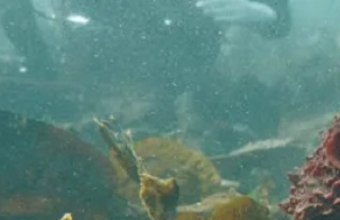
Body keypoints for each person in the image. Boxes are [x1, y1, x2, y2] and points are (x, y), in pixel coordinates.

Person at [2, 0, 291, 150]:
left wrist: (267, 14)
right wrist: (38, 60)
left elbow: (280, 19)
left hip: (189, 65)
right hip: (102, 69)